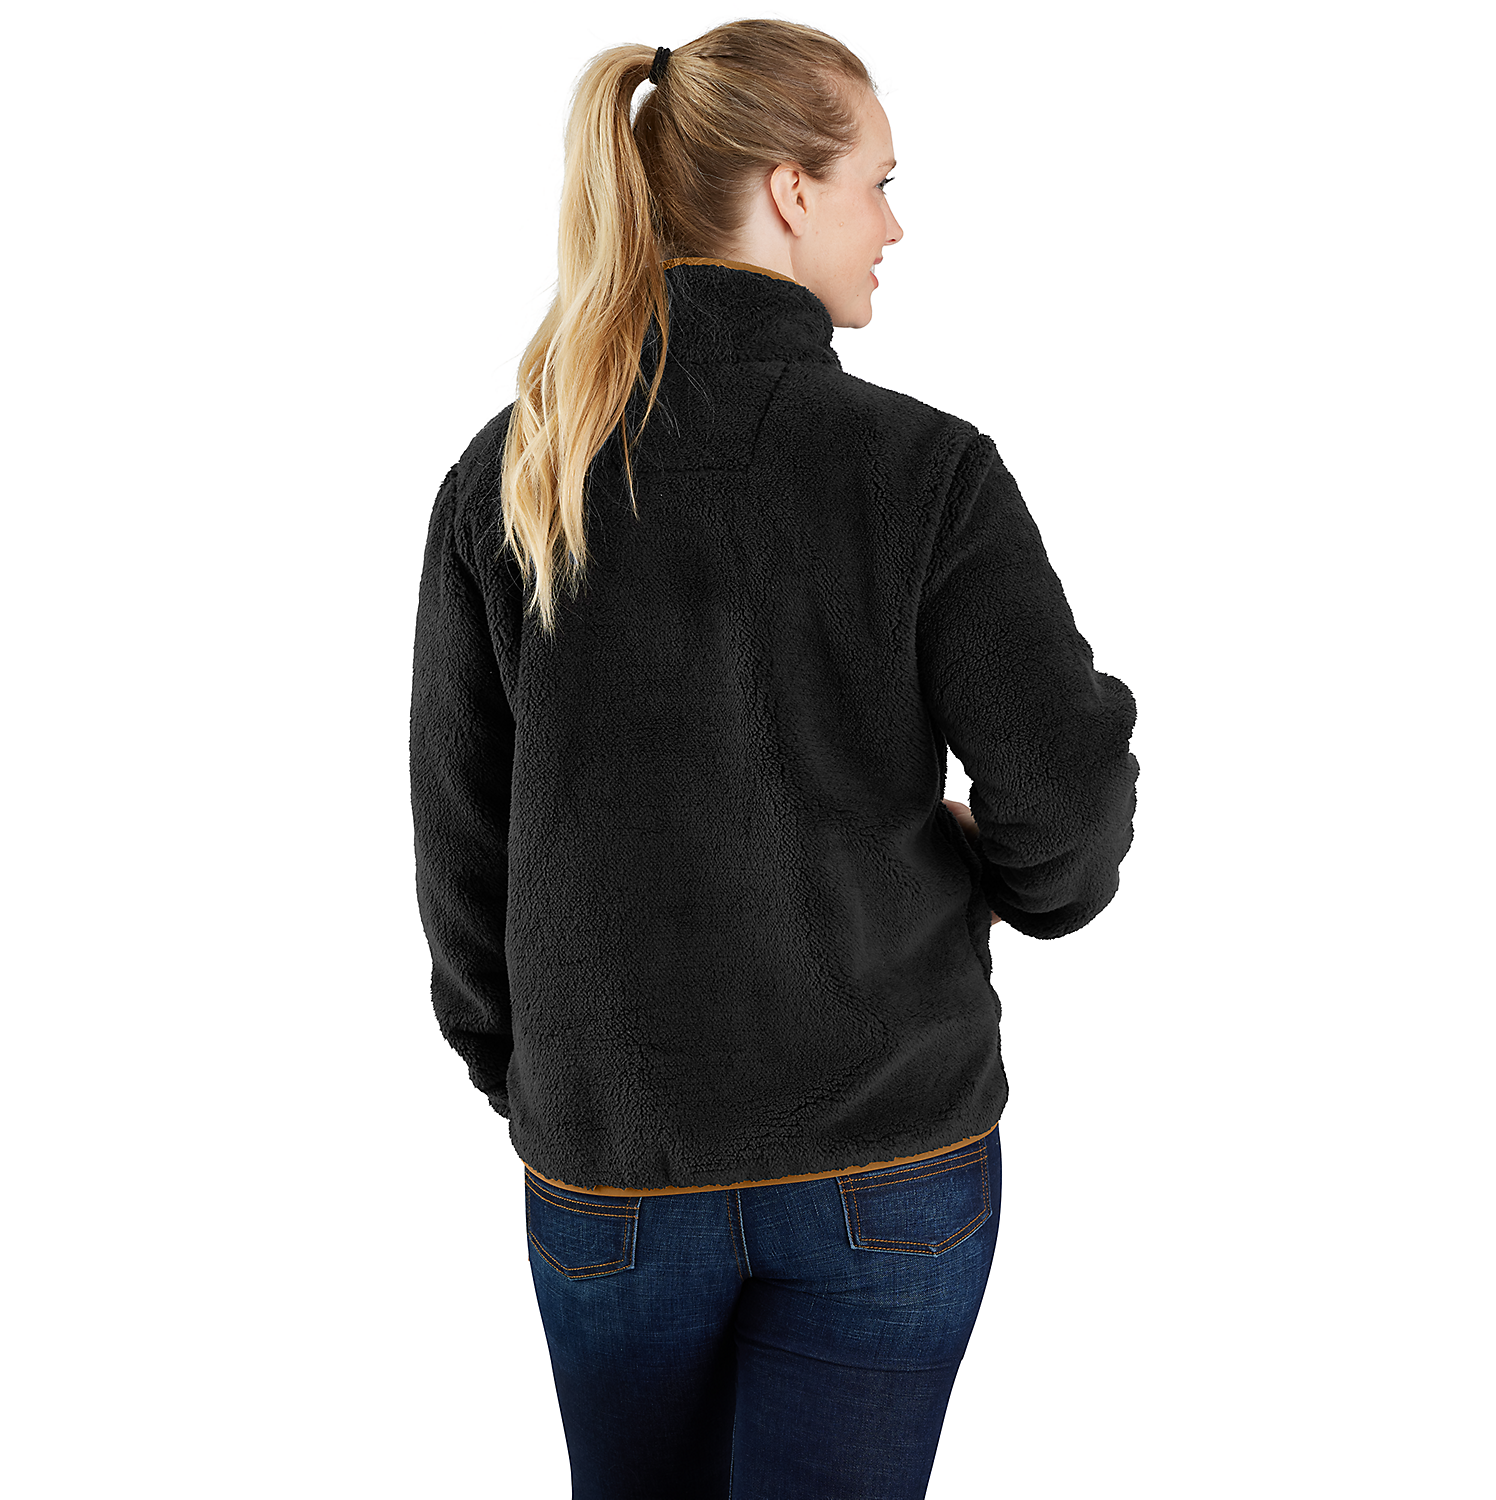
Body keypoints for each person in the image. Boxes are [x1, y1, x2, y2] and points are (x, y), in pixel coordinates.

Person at [408, 19, 1139, 1500]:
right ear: (793, 192)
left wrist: (545, 1084)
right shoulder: (922, 470)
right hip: (887, 1157)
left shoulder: (512, 474)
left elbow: (460, 845)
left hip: (610, 1169)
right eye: (880, 182)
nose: (896, 226)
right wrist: (1004, 870)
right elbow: (1064, 803)